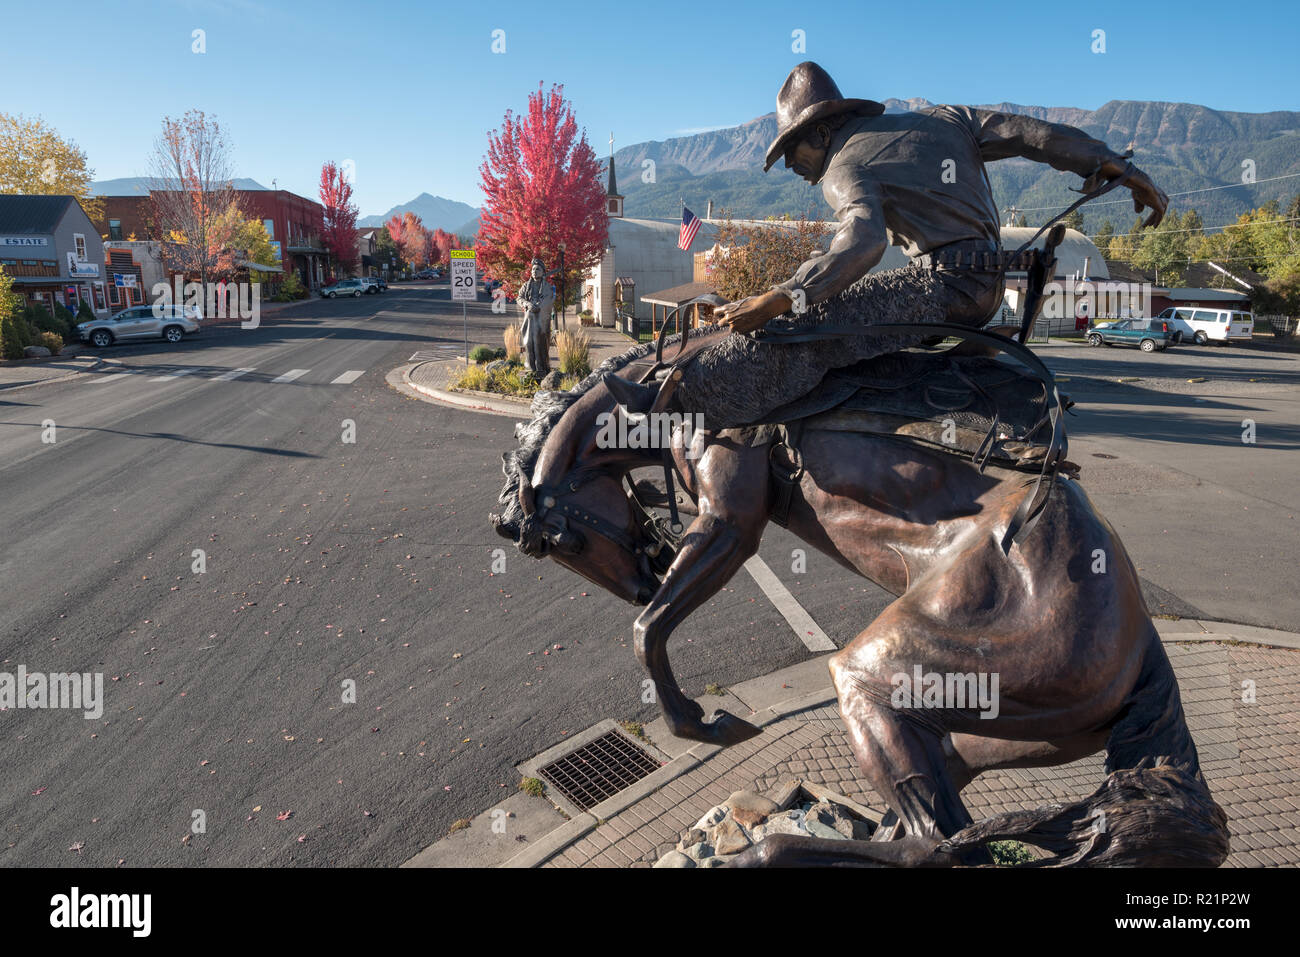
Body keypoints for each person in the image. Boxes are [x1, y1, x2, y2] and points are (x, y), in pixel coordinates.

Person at [610, 62, 1167, 430]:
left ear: (821, 132)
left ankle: (684, 413)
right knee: (834, 319)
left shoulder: (844, 166)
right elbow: (1035, 134)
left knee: (805, 330)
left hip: (941, 288)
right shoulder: (949, 119)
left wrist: (780, 299)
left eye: (792, 153)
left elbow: (862, 243)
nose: (795, 171)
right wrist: (1116, 166)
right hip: (984, 285)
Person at [517, 257, 555, 374]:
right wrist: (528, 304)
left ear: (543, 272)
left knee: (539, 342)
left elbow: (549, 299)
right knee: (528, 342)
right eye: (533, 269)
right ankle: (530, 366)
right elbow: (519, 298)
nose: (534, 271)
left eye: (537, 269)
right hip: (529, 320)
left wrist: (538, 307)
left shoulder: (547, 287)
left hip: (540, 320)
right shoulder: (526, 286)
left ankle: (541, 366)